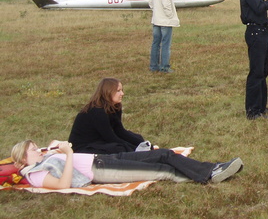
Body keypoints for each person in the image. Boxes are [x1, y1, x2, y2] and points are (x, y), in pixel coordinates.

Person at [11, 140, 243, 188]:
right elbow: (62, 184)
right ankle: (209, 175)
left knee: (163, 153)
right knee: (162, 170)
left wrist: (54, 148)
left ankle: (212, 168)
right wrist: (68, 154)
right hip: (100, 170)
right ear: (23, 160)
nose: (37, 151)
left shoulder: (45, 158)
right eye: (33, 150)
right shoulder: (35, 174)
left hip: (104, 160)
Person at [68, 78, 152, 154]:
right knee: (119, 148)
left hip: (99, 142)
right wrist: (134, 149)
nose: (122, 93)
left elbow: (120, 131)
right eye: (118, 91)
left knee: (137, 137)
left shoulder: (116, 107)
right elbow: (110, 137)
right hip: (83, 147)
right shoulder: (97, 111)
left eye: (122, 90)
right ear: (108, 92)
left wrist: (142, 143)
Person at [149, 0, 180, 73]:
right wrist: (170, 15)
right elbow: (166, 3)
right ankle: (164, 67)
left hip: (156, 18)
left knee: (155, 43)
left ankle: (153, 66)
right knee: (166, 44)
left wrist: (156, 11)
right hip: (165, 19)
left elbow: (151, 2)